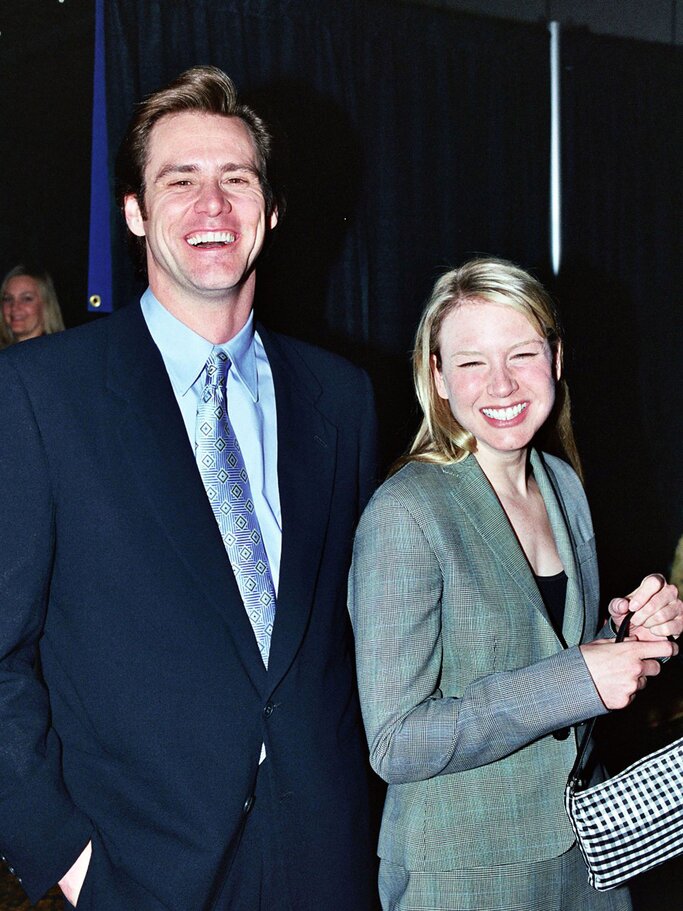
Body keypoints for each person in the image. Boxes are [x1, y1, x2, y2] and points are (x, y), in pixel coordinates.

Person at [0, 66, 378, 911]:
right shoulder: (37, 395)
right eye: (180, 180)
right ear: (135, 210)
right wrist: (67, 858)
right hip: (139, 871)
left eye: (236, 179)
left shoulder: (341, 398)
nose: (212, 204)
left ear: (271, 211)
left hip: (327, 859)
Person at [348, 257, 683, 911]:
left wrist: (623, 636)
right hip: (465, 875)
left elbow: (542, 655)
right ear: (437, 375)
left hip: (588, 860)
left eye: (521, 353)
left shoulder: (561, 484)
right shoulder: (406, 511)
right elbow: (395, 740)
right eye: (470, 361)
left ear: (554, 359)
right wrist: (577, 679)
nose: (499, 384)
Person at [0, 264, 65, 346]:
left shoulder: (61, 352)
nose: (14, 307)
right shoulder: (4, 354)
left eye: (26, 299)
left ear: (46, 304)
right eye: (8, 299)